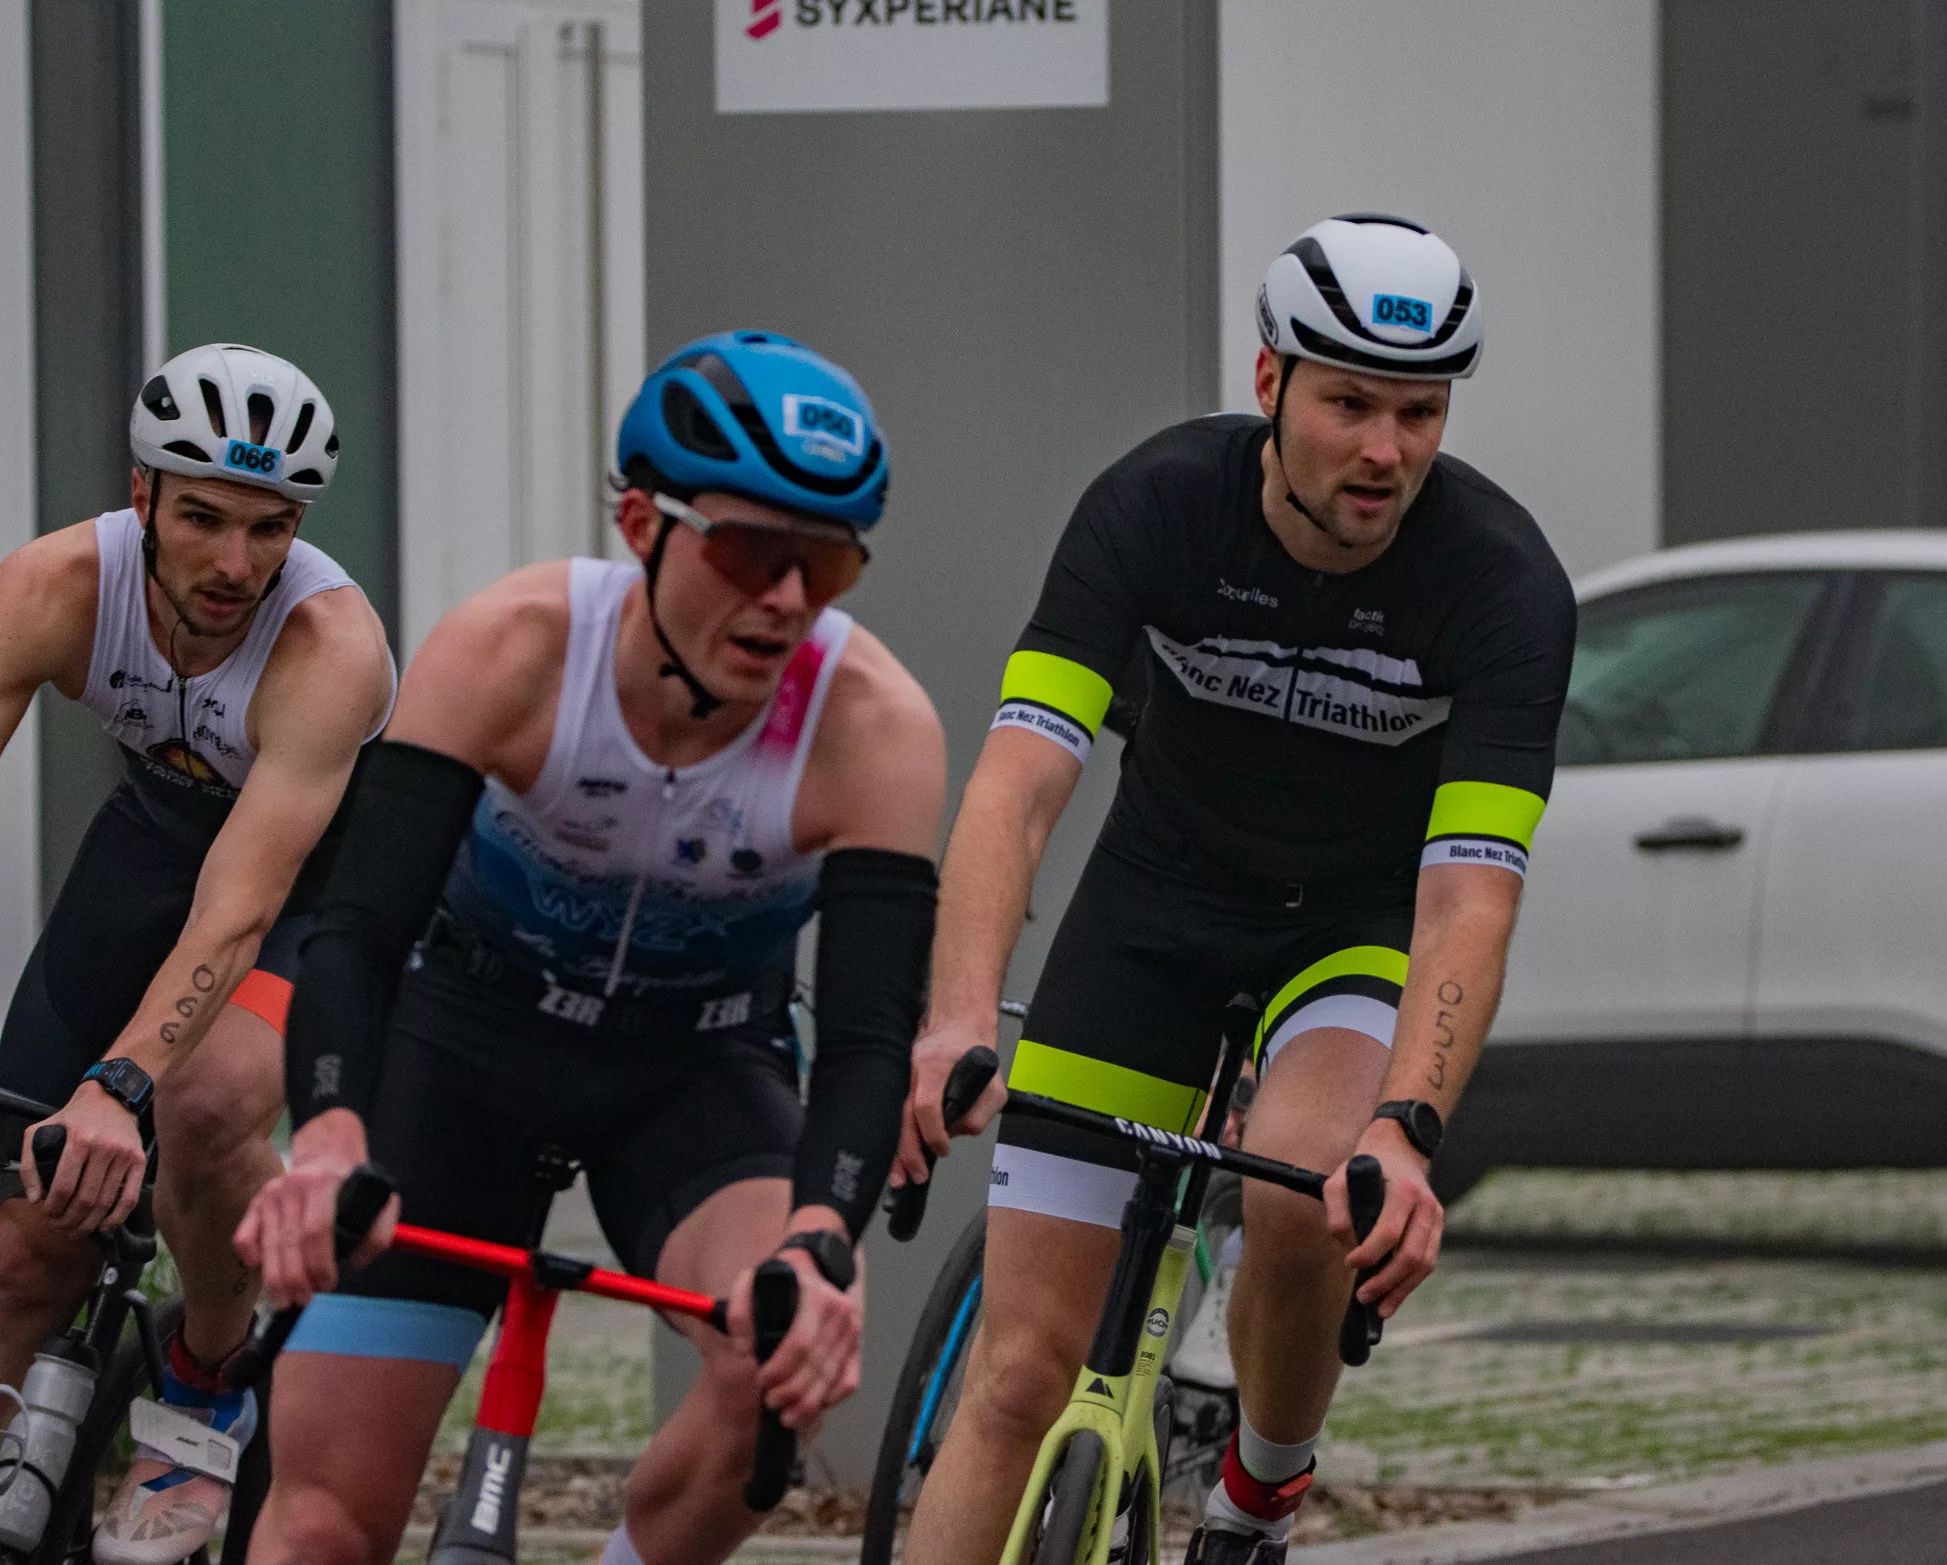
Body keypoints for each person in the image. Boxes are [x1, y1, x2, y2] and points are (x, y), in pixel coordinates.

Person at [894, 216, 1578, 1564]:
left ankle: (1260, 1487)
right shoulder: (1155, 504)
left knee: (1301, 1191)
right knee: (1018, 1378)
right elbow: (1016, 785)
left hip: (1350, 929)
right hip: (1153, 906)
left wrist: (1408, 1128)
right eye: (1348, 405)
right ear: (1269, 382)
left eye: (1419, 413)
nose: (1384, 450)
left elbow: (1466, 899)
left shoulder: (1500, 582)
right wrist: (958, 1015)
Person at [233, 331, 947, 1565]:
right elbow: (358, 930)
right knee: (320, 1525)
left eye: (826, 563)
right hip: (461, 1043)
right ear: (640, 522)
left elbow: (868, 1039)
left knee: (775, 1361)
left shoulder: (873, 724)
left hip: (696, 1069)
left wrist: (819, 1237)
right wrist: (332, 1132)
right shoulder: (509, 647)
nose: (786, 599)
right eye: (749, 551)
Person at [0, 343, 395, 1564]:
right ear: (143, 495)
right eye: (205, 519)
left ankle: (206, 1384)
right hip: (151, 843)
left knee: (205, 1106)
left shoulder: (330, 645)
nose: (235, 564)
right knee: (24, 1232)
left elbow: (238, 908)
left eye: (270, 527)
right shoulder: (53, 586)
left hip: (313, 885)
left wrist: (119, 1082)